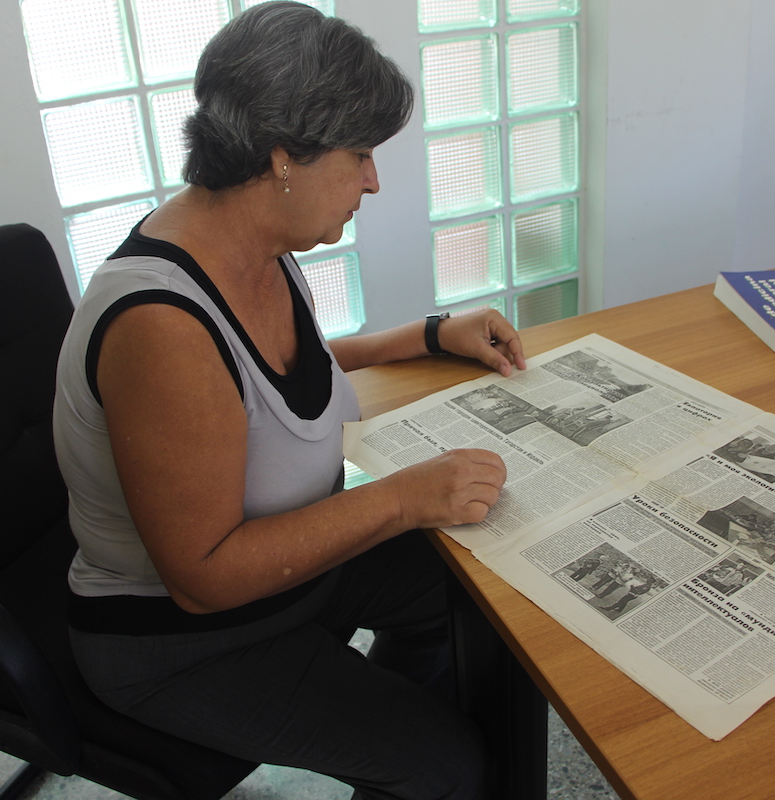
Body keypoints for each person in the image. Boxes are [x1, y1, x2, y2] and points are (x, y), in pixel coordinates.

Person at [50, 3, 526, 799]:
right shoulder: (160, 329)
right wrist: (403, 498)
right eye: (360, 154)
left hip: (294, 571)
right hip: (187, 638)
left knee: (485, 591)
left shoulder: (249, 240)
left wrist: (428, 335)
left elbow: (265, 382)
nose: (373, 179)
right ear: (283, 158)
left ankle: (400, 721)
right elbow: (205, 577)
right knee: (448, 768)